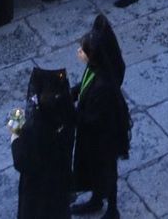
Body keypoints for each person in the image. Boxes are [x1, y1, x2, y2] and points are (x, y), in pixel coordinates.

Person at [72, 15, 130, 218]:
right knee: (95, 168)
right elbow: (83, 86)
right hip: (94, 134)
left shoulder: (103, 86)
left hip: (105, 136)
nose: (78, 52)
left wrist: (69, 115)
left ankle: (112, 209)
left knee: (106, 170)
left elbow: (91, 117)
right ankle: (96, 200)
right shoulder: (94, 68)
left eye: (82, 50)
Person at [11, 67, 74, 218]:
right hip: (59, 183)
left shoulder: (36, 128)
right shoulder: (66, 114)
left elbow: (21, 161)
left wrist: (14, 136)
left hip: (38, 192)